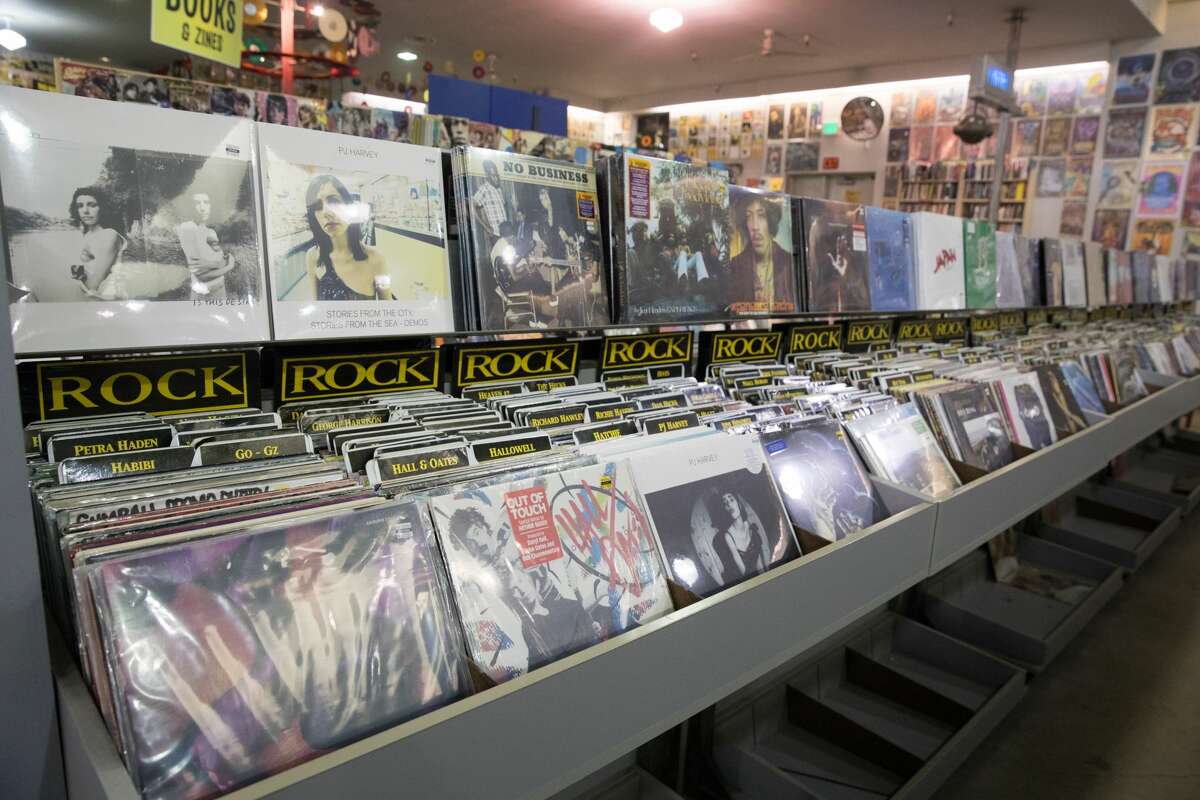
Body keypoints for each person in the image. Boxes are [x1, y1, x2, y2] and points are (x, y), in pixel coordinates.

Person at [303, 175, 393, 301]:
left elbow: (388, 310)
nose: (326, 212)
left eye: (334, 201)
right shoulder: (313, 257)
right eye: (317, 206)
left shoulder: (377, 260)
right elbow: (315, 307)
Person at [727, 193, 795, 313]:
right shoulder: (736, 265)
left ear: (770, 220)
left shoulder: (790, 263)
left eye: (761, 215)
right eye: (748, 217)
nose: (755, 226)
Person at [176, 191, 236, 300]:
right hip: (204, 294)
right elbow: (203, 276)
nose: (203, 208)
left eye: (206, 202)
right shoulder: (187, 228)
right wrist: (229, 266)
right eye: (197, 203)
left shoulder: (208, 230)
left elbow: (220, 257)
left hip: (220, 289)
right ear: (191, 207)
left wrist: (210, 263)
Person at [707, 489, 767, 581]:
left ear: (738, 503)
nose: (729, 504)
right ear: (724, 510)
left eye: (731, 500)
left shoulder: (751, 528)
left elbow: (759, 562)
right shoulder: (728, 536)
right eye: (725, 503)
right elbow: (743, 572)